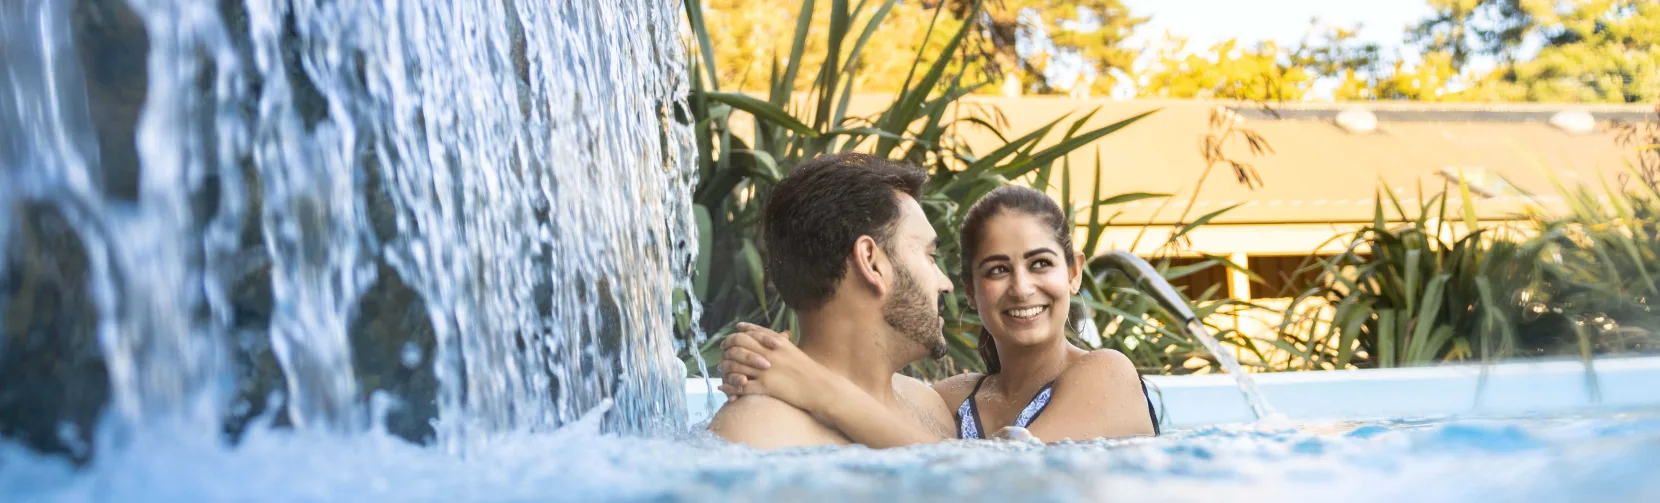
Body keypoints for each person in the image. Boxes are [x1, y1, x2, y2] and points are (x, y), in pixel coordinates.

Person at [719, 185, 1158, 446]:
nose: (1022, 287)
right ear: (970, 289)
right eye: (997, 270)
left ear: (1074, 273)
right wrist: (764, 362)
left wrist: (820, 389)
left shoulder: (1106, 373)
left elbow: (1004, 483)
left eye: (1041, 263)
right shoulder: (944, 403)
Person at [704, 152, 958, 449]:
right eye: (930, 256)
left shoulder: (930, 405)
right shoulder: (760, 432)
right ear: (871, 262)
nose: (947, 284)